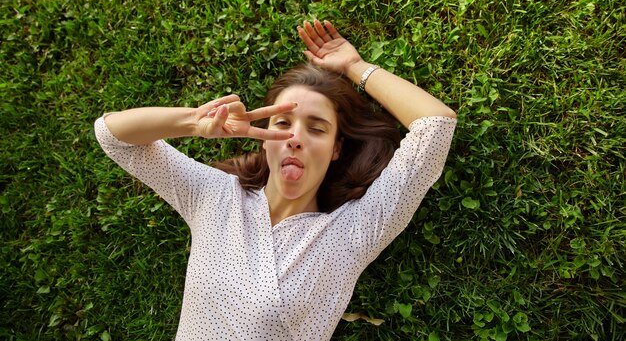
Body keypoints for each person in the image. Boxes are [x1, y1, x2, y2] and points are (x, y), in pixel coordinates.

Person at [94, 19, 457, 340]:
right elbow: (113, 135)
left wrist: (355, 67)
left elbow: (435, 124)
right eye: (282, 124)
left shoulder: (352, 233)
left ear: (335, 149)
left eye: (317, 129)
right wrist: (195, 123)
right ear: (264, 137)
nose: (294, 138)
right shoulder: (216, 197)